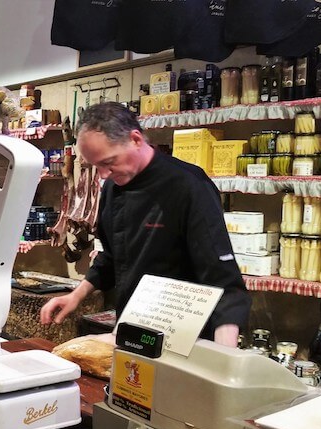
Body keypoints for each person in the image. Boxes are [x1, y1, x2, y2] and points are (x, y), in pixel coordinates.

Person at [39, 102, 251, 346]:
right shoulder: (112, 188)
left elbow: (222, 280)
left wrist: (224, 361)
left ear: (136, 139)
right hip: (132, 333)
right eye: (97, 167)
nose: (104, 175)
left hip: (184, 341)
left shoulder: (189, 186)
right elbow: (110, 257)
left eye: (109, 162)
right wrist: (75, 297)